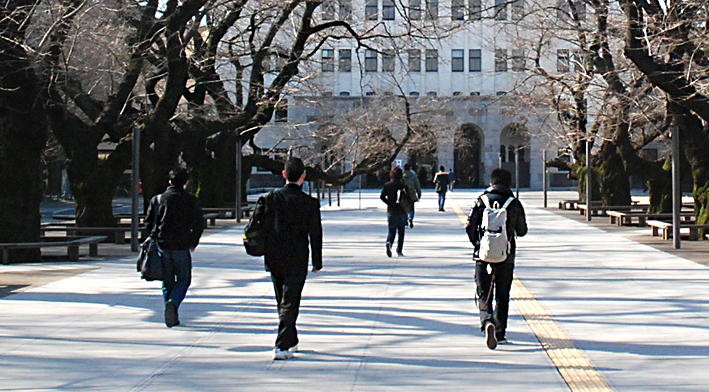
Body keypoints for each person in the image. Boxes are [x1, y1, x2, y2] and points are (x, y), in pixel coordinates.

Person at [265, 157, 323, 360]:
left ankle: (292, 338)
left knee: (282, 298)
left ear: (284, 175)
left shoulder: (272, 199)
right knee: (290, 300)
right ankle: (281, 345)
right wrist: (317, 261)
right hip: (297, 256)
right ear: (303, 176)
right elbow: (315, 233)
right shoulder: (309, 203)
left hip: (274, 256)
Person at [465, 168, 527, 349]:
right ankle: (500, 332)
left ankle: (487, 322)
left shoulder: (481, 201)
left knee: (484, 293)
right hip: (506, 256)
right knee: (502, 295)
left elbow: (470, 226)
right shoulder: (514, 203)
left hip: (483, 255)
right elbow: (522, 231)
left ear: (491, 182)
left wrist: (478, 244)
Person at [145, 168, 204, 328]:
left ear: (169, 181)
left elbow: (148, 223)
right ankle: (174, 303)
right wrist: (193, 241)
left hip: (162, 245)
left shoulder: (157, 199)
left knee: (167, 280)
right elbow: (199, 223)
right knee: (184, 279)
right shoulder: (191, 200)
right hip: (182, 244)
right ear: (185, 183)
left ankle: (170, 310)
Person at [380, 166, 408, 257]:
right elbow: (408, 197)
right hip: (401, 210)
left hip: (391, 210)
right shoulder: (403, 185)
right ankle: (399, 250)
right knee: (401, 231)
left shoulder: (387, 185)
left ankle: (389, 242)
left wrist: (389, 203)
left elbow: (382, 197)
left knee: (391, 230)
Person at [403, 163, 422, 228]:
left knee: (404, 207)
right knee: (411, 207)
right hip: (411, 193)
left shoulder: (401, 175)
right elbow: (417, 185)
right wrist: (419, 193)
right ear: (410, 168)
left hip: (403, 193)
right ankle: (410, 217)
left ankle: (405, 220)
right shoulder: (413, 175)